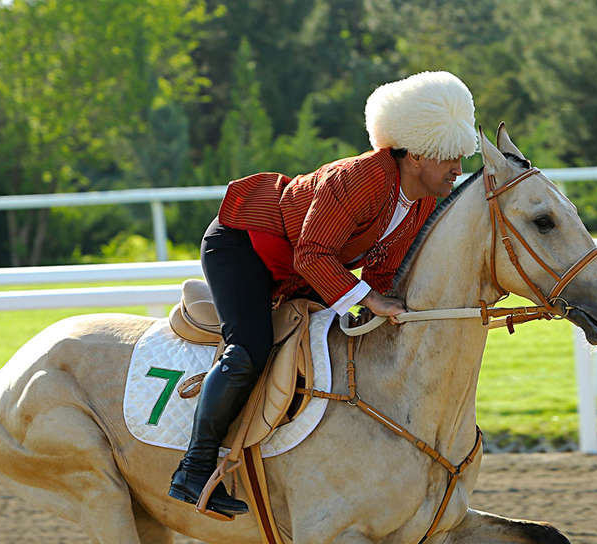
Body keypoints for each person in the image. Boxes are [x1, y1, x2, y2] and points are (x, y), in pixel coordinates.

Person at [168, 71, 479, 517]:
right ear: (413, 156)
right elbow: (313, 255)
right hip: (242, 245)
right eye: (449, 158)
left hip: (300, 264)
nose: (458, 169)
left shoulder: (425, 199)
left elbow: (382, 271)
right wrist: (369, 301)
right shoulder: (357, 179)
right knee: (248, 350)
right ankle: (192, 469)